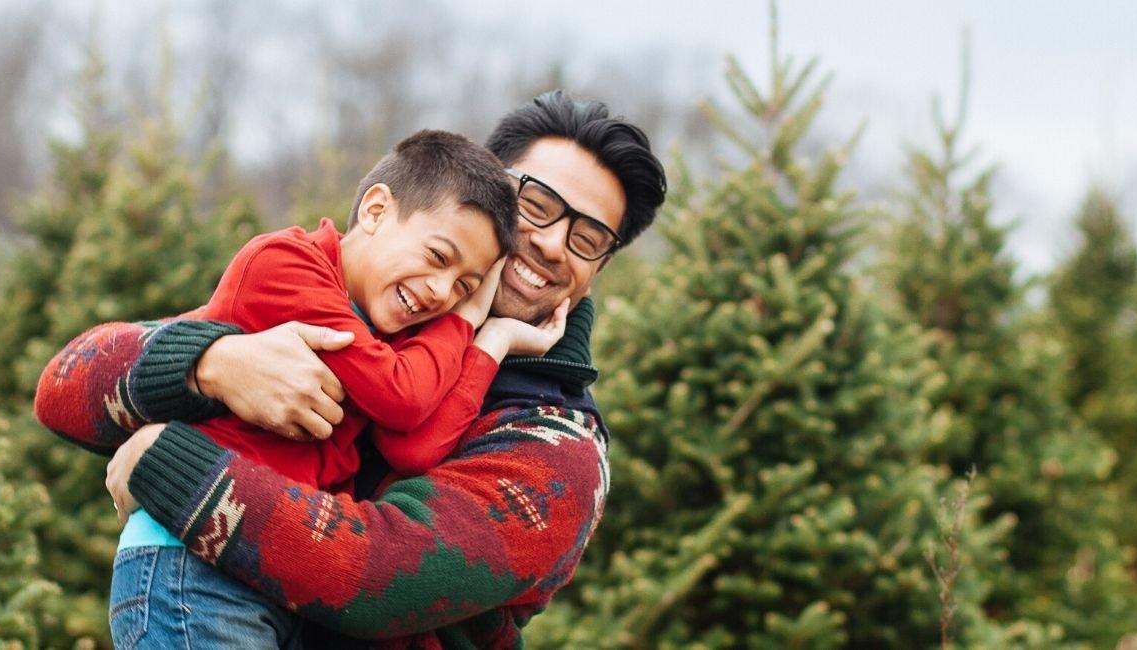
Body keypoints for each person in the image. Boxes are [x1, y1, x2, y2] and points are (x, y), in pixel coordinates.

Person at [34, 90, 666, 648]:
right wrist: (210, 365)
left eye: (588, 239)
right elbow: (65, 386)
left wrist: (163, 458)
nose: (553, 243)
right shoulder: (355, 312)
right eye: (537, 204)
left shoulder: (558, 451)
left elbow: (374, 577)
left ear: (597, 270)